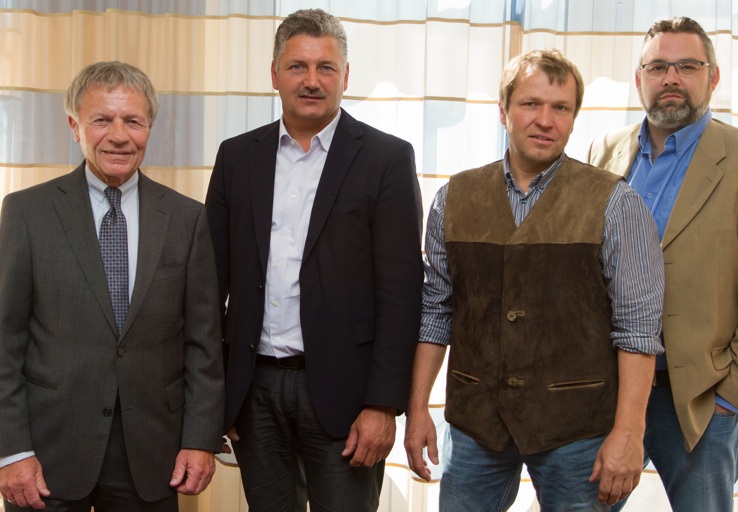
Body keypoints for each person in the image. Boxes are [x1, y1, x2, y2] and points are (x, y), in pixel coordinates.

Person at [405, 48, 665, 512]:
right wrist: (418, 407)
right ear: (503, 111)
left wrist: (629, 432)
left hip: (578, 429)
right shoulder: (453, 198)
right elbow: (436, 310)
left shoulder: (615, 203)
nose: (545, 120)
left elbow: (638, 330)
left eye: (560, 108)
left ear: (574, 118)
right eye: (530, 104)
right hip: (476, 423)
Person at [204, 8, 423, 511]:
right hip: (254, 390)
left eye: (326, 67)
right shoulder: (236, 157)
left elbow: (401, 293)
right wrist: (218, 396)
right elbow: (209, 285)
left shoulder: (387, 159)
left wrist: (382, 404)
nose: (311, 80)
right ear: (274, 74)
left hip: (347, 397)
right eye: (297, 66)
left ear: (346, 76)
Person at [0, 61, 225, 511]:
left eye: (133, 121)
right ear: (74, 126)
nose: (119, 136)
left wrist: (200, 439)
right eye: (102, 120)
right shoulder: (26, 213)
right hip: (47, 452)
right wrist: (12, 450)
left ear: (149, 128)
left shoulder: (187, 218)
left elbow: (203, 344)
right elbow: (5, 341)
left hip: (153, 454)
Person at [588, 16, 738, 512]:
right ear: (639, 79)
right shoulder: (606, 150)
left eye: (687, 66)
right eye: (658, 67)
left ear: (713, 77)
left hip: (699, 401)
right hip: (609, 392)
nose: (671, 78)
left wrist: (733, 398)